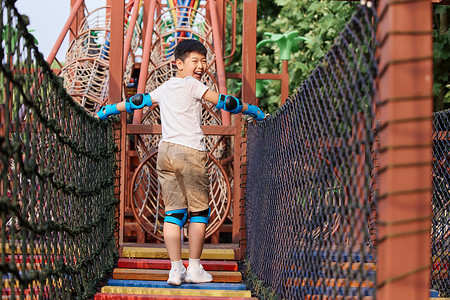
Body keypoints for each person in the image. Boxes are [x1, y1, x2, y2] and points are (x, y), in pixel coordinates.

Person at [96, 39, 266, 285]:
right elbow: (224, 102)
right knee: (199, 211)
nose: (201, 65)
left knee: (173, 213)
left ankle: (176, 269)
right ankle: (195, 268)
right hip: (190, 152)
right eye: (195, 61)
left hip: (165, 153)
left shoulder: (165, 88)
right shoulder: (192, 84)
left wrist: (108, 110)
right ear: (179, 63)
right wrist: (253, 111)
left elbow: (138, 101)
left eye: (204, 61)